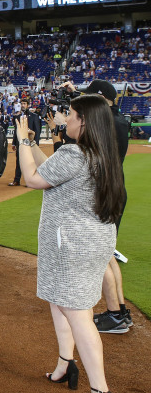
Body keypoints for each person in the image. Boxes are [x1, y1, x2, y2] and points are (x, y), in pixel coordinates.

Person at [15, 94, 124, 393]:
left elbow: (32, 178)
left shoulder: (75, 154)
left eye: (71, 115)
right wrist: (33, 144)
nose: (65, 120)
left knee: (77, 313)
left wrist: (22, 140)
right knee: (62, 301)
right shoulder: (101, 153)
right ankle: (65, 363)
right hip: (94, 240)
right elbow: (50, 172)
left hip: (71, 245)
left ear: (84, 122)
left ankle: (100, 388)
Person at [62, 79, 132, 334]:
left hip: (101, 190)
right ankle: (120, 311)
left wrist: (62, 131)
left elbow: (83, 148)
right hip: (112, 188)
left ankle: (115, 314)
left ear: (102, 99)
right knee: (107, 252)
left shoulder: (106, 121)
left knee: (100, 253)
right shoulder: (117, 118)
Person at [9, 98, 42, 186]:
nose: (23, 105)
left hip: (30, 142)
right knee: (19, 161)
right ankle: (16, 180)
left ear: (28, 105)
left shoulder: (34, 116)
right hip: (20, 143)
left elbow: (37, 131)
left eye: (24, 104)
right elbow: (16, 131)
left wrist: (35, 144)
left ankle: (31, 181)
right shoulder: (18, 116)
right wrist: (14, 143)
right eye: (22, 104)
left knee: (31, 162)